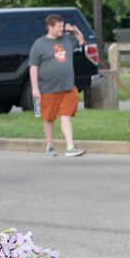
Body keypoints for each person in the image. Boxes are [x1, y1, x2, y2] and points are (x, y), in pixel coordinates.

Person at [28, 14, 87, 158]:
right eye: (59, 27)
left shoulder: (67, 39)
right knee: (49, 118)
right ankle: (50, 146)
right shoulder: (39, 44)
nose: (62, 29)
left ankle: (70, 146)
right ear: (50, 27)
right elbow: (33, 66)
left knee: (65, 116)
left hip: (68, 87)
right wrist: (35, 88)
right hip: (48, 89)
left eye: (63, 26)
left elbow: (81, 40)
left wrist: (74, 30)